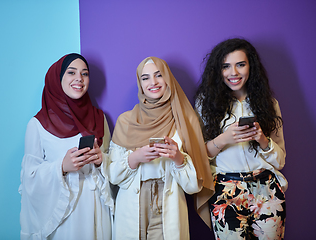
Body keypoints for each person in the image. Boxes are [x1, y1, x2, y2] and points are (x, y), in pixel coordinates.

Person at [107, 56, 214, 240]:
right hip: (132, 204)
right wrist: (136, 157)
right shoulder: (126, 120)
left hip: (169, 204)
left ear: (168, 78)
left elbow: (193, 186)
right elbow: (113, 176)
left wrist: (178, 159)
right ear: (140, 83)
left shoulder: (185, 120)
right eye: (145, 77)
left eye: (159, 75)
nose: (153, 82)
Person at [195, 38, 287, 239]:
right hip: (226, 189)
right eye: (226, 66)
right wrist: (224, 138)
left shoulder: (269, 104)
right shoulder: (206, 104)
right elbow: (198, 157)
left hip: (267, 189)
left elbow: (280, 161)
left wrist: (262, 139)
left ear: (250, 66)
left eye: (240, 65)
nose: (233, 73)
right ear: (218, 71)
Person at [19, 53, 113, 240]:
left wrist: (101, 160)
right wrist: (61, 167)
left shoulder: (99, 118)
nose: (79, 78)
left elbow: (114, 164)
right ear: (58, 78)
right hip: (65, 215)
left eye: (84, 73)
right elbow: (29, 178)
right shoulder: (37, 125)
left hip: (97, 210)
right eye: (71, 72)